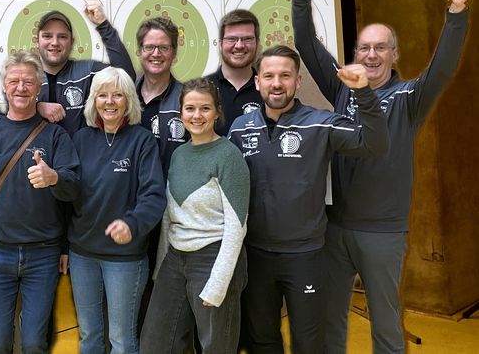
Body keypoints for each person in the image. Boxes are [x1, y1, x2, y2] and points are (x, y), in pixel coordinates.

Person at [290, 0, 474, 354]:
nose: (371, 55)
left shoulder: (409, 98)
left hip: (383, 233)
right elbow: (305, 43)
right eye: (364, 48)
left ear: (395, 55)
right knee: (329, 322)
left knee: (387, 329)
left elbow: (442, 68)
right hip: (335, 228)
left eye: (380, 48)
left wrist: (456, 11)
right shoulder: (343, 87)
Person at [227, 45, 389, 354]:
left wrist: (365, 94)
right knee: (262, 340)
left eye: (285, 76)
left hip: (307, 256)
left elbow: (375, 143)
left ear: (297, 81)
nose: (277, 83)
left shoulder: (321, 122)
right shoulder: (238, 128)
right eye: (269, 76)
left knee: (310, 343)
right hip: (256, 256)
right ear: (257, 81)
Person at [0, 50, 80, 354]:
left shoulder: (55, 136)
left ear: (38, 87)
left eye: (28, 81)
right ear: (4, 85)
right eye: (14, 81)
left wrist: (54, 178)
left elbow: (74, 191)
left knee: (34, 343)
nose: (21, 87)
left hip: (44, 253)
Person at [141, 77, 250, 353]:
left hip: (213, 258)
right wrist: (161, 268)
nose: (197, 115)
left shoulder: (228, 156)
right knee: (155, 344)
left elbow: (237, 227)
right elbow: (169, 216)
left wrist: (218, 283)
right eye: (190, 109)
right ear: (181, 113)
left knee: (216, 346)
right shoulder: (178, 154)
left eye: (205, 108)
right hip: (175, 260)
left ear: (217, 112)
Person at [69, 66, 166, 354]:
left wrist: (131, 224)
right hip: (82, 255)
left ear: (129, 101)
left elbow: (154, 196)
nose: (109, 102)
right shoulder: (80, 139)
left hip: (125, 259)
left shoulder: (142, 141)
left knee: (122, 341)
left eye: (118, 95)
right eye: (103, 95)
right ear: (93, 101)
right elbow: (70, 194)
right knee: (89, 337)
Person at [35, 3, 136, 134]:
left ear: (72, 42)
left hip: (80, 153)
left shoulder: (87, 71)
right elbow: (12, 112)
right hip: (38, 154)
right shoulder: (26, 77)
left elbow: (125, 76)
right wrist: (37, 108)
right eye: (47, 36)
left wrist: (103, 25)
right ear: (37, 41)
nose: (54, 42)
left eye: (62, 37)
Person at [133, 17, 189, 176]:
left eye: (164, 47)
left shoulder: (187, 100)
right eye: (149, 47)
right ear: (140, 51)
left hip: (173, 196)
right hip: (128, 197)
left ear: (174, 53)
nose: (156, 54)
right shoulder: (123, 95)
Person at [204, 9, 264, 136]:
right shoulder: (202, 88)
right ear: (220, 44)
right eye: (231, 39)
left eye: (247, 39)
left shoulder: (268, 89)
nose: (239, 45)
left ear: (257, 43)